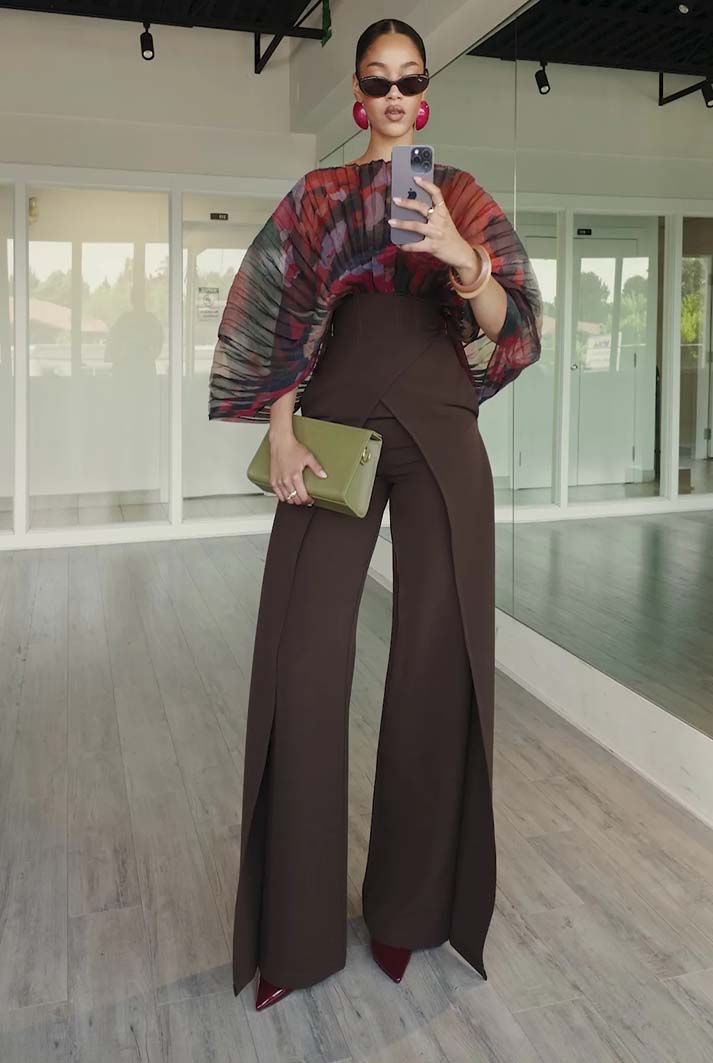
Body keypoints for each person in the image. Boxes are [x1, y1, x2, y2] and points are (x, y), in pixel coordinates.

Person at [208, 18, 543, 1013]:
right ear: (357, 93)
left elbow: (513, 327)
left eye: (409, 79)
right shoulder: (319, 196)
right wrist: (281, 432)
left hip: (439, 426)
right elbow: (275, 316)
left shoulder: (460, 195)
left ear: (423, 93)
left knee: (436, 665)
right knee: (302, 666)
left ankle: (410, 911)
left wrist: (460, 256)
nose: (393, 95)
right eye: (376, 80)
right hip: (333, 427)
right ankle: (293, 935)